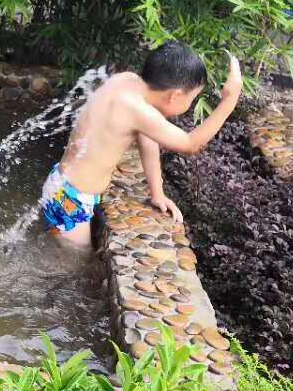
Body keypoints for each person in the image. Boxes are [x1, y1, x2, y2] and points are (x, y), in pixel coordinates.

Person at [40, 41, 242, 247]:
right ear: (175, 95)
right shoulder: (136, 109)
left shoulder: (126, 81)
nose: (190, 104)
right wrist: (229, 100)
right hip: (71, 202)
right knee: (75, 260)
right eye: (193, 98)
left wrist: (157, 194)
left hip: (62, 186)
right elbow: (190, 144)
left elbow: (148, 140)